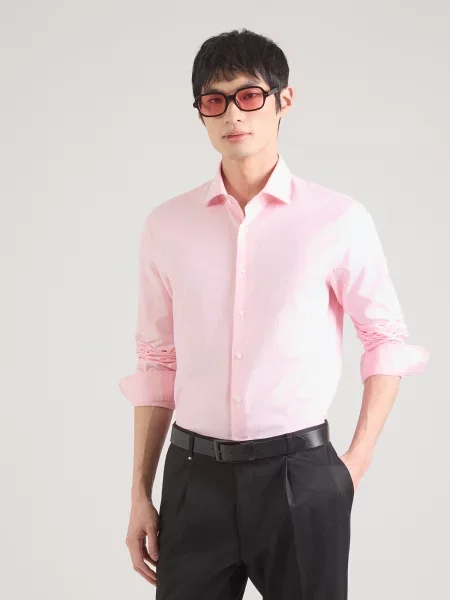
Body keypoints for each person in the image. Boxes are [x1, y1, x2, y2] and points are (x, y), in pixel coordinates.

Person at [119, 28, 429, 600]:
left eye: (249, 95)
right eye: (215, 100)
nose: (233, 114)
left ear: (284, 100)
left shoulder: (337, 220)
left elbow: (385, 340)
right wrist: (140, 490)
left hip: (300, 477)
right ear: (200, 113)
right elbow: (157, 360)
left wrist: (352, 466)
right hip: (193, 477)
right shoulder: (167, 226)